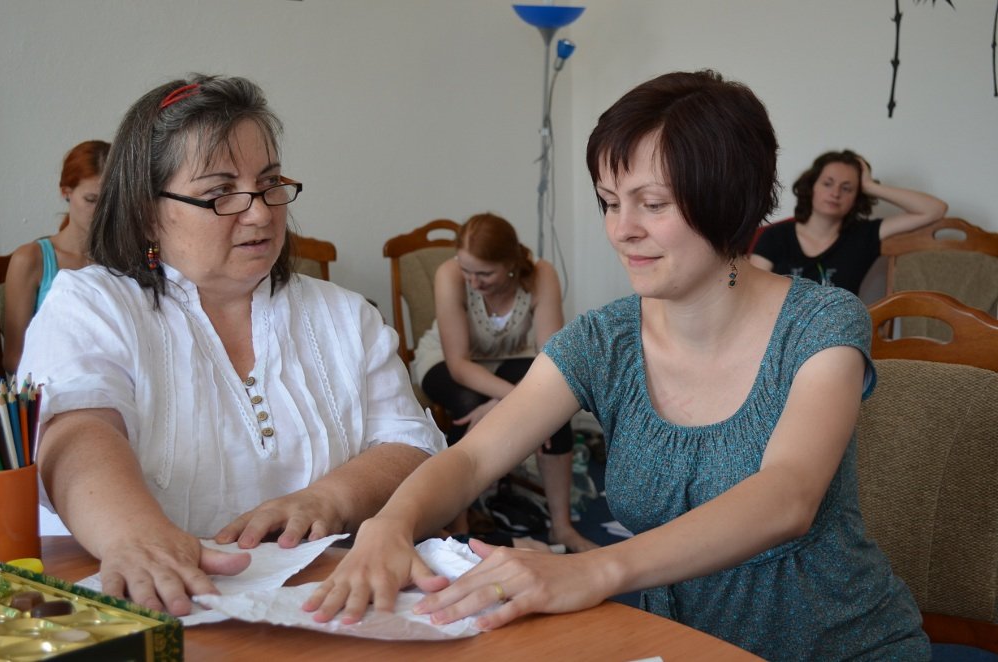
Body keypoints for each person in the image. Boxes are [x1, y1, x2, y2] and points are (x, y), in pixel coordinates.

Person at [302, 70, 930, 661]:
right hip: (677, 644)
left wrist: (594, 568)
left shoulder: (821, 322)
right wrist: (391, 523)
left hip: (838, 645)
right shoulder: (606, 340)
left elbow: (787, 495)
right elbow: (471, 459)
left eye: (651, 204)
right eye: (609, 202)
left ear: (727, 202)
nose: (621, 230)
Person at [18, 74, 445, 617]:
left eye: (269, 184)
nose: (260, 212)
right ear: (148, 213)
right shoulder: (92, 303)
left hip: (322, 603)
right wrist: (136, 536)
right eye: (220, 193)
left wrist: (330, 499)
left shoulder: (345, 315)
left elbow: (408, 445)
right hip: (146, 603)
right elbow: (78, 431)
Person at [410, 212, 597, 553]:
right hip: (447, 360)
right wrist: (519, 402)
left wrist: (509, 403)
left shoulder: (541, 275)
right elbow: (459, 365)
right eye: (466, 270)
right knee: (468, 404)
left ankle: (561, 527)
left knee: (555, 407)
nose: (473, 282)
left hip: (513, 358)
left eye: (484, 273)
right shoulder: (449, 275)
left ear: (510, 263)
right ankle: (461, 526)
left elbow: (553, 357)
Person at [750, 149, 947, 294]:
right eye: (828, 184)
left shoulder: (863, 235)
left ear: (857, 197)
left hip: (842, 334)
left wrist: (870, 186)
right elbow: (753, 292)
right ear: (811, 187)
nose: (835, 193)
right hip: (781, 332)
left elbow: (935, 209)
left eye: (847, 188)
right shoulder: (775, 236)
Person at [2, 140, 110, 375]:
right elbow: (13, 357)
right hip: (48, 386)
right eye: (91, 200)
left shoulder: (123, 259)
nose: (102, 211)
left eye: (110, 200)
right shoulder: (31, 260)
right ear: (66, 192)